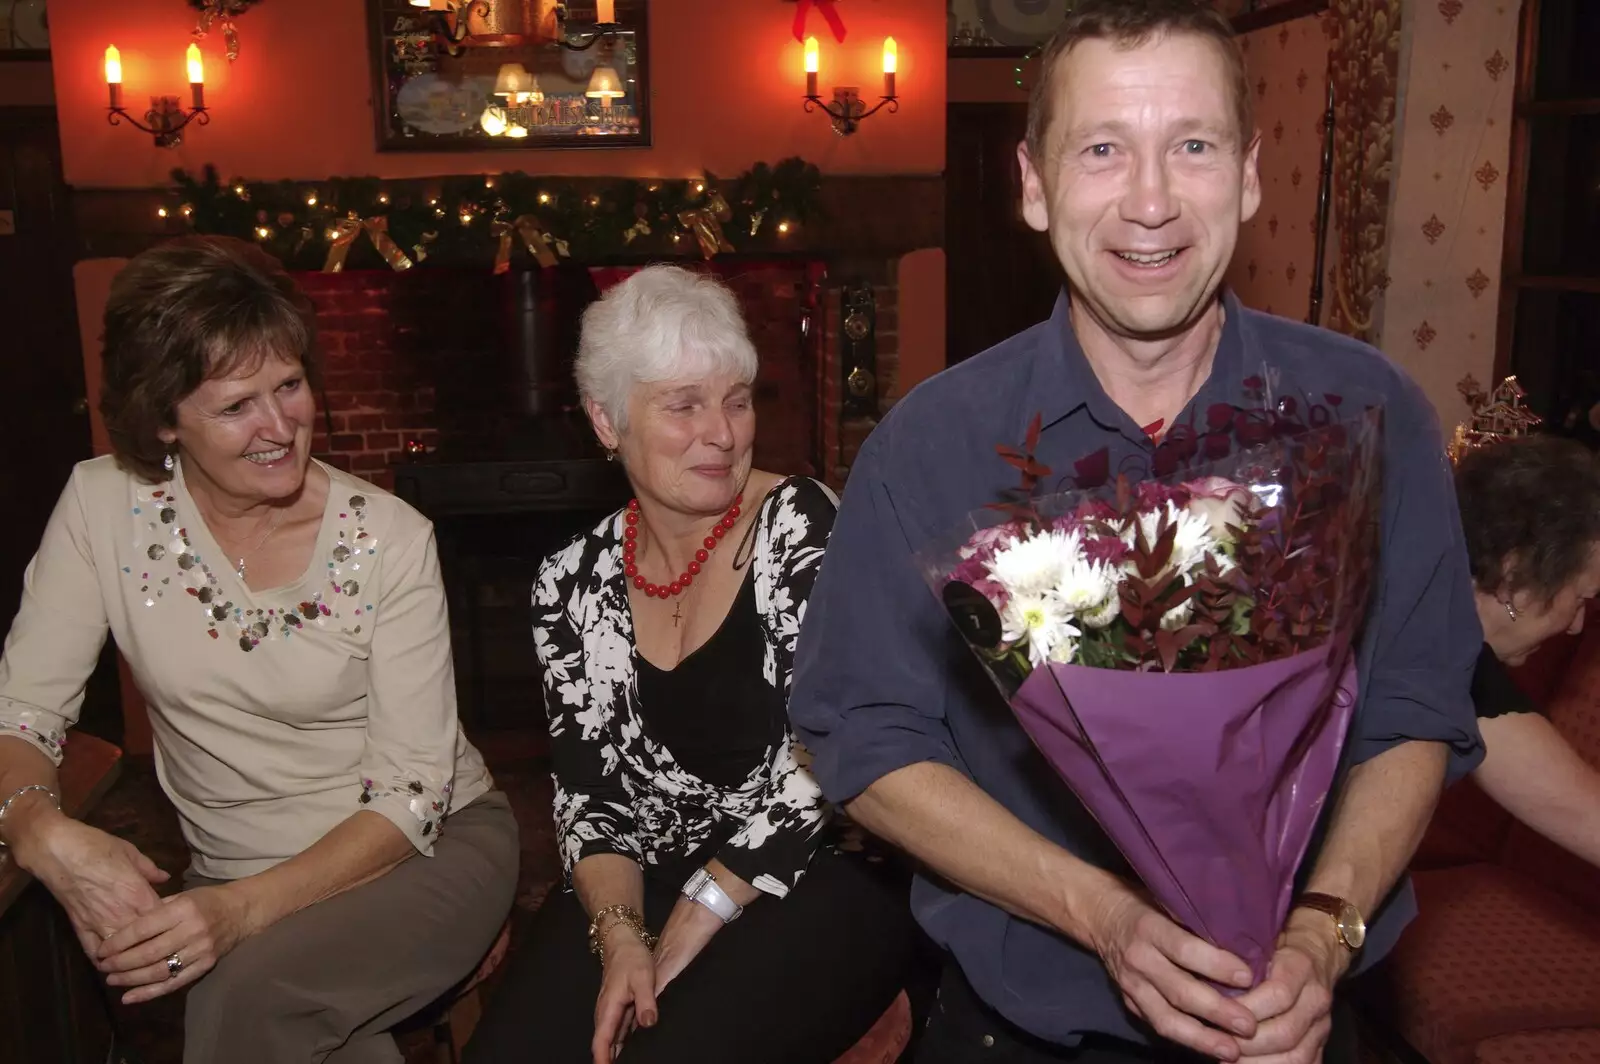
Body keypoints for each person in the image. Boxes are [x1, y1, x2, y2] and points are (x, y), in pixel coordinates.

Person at [789, 2, 1485, 1062]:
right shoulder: (932, 444)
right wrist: (1100, 913)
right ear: (1033, 184)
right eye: (1102, 149)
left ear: (1248, 175)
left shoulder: (1369, 413)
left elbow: (1414, 708)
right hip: (1021, 1033)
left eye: (1192, 146)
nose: (1151, 201)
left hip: (1303, 1018)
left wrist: (1320, 929)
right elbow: (864, 737)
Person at [0, 236, 518, 1064]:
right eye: (238, 405)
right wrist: (35, 827)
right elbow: (22, 710)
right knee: (272, 1015)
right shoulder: (101, 506)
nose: (281, 426)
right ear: (163, 416)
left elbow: (416, 794)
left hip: (424, 850)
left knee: (247, 997)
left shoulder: (388, 538)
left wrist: (238, 913)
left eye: (290, 385)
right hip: (234, 872)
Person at [463, 265, 916, 1064]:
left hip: (818, 871)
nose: (723, 432)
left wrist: (703, 905)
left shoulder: (802, 527)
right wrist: (621, 939)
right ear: (607, 421)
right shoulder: (570, 579)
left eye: (736, 401)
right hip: (643, 876)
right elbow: (590, 794)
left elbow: (826, 760)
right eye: (683, 404)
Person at [1456, 435, 1600, 867]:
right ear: (1512, 581)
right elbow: (1583, 815)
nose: (1576, 627)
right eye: (1580, 599)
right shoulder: (1445, 661)